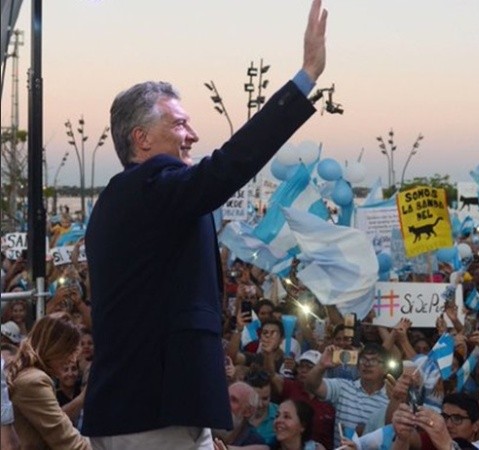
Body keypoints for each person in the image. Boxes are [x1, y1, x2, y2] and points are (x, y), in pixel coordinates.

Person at [81, 1, 328, 448]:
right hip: (156, 414)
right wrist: (305, 77)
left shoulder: (119, 201)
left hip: (134, 412)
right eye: (180, 123)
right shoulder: (152, 185)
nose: (193, 134)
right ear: (141, 138)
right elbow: (226, 169)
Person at [5, 313, 90, 449]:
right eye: (70, 351)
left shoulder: (27, 375)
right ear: (55, 348)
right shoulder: (34, 381)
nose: (72, 360)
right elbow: (66, 440)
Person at [214, 382, 268, 449]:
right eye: (225, 396)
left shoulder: (255, 442)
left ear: (248, 412)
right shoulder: (207, 427)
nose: (225, 402)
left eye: (233, 400)